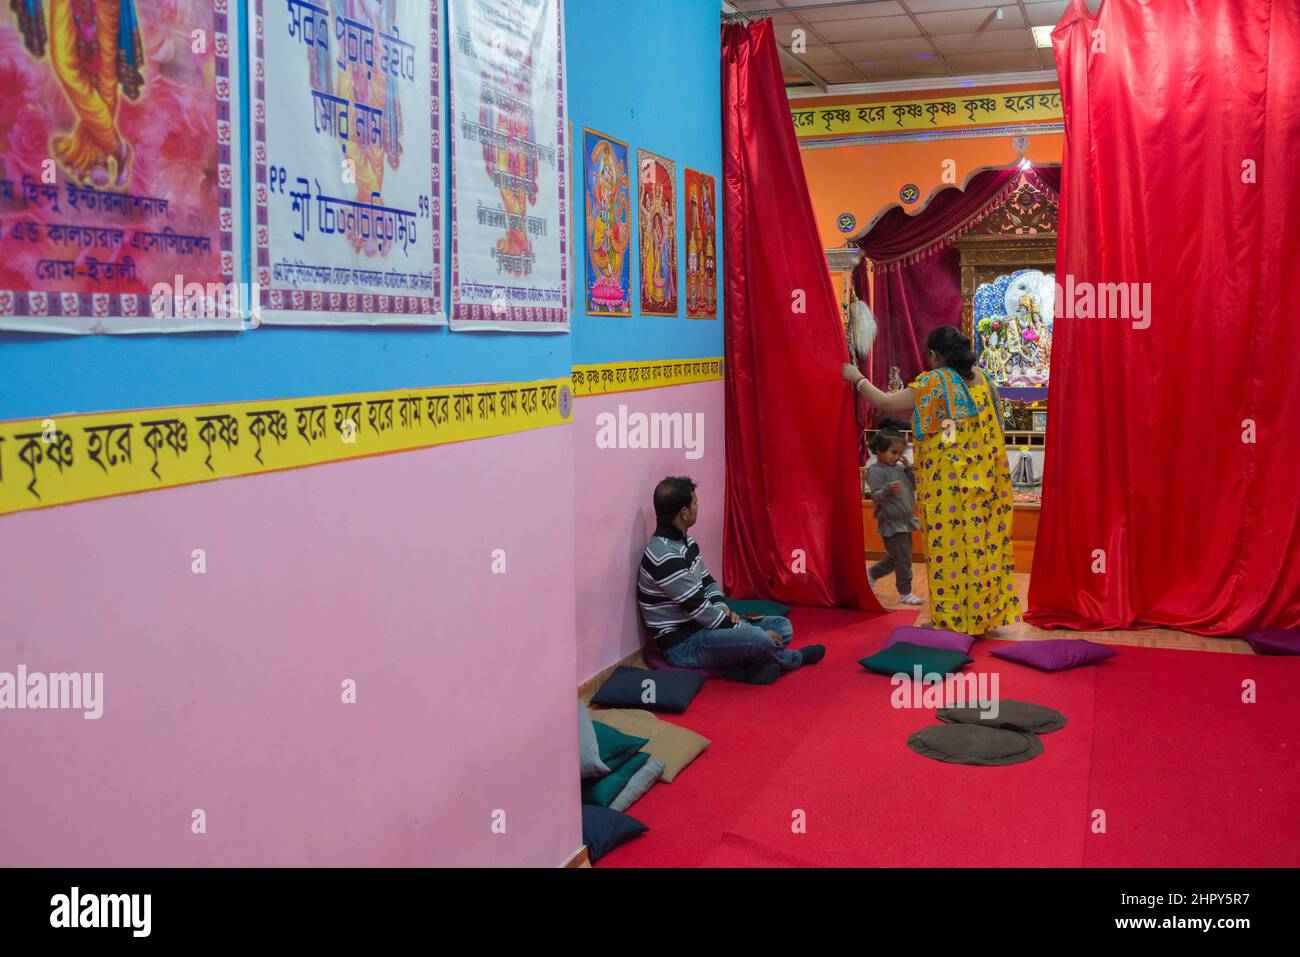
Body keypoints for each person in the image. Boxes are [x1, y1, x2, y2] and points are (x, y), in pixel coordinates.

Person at [842, 326, 1022, 637]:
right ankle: (982, 616)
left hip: (949, 486)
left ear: (935, 355)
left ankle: (951, 620)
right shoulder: (984, 380)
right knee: (981, 546)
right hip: (985, 483)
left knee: (950, 552)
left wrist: (856, 377)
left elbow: (886, 403)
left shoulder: (936, 382)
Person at [637, 476, 825, 684]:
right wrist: (746, 629)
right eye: (695, 503)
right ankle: (792, 660)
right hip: (684, 645)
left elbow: (707, 583)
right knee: (759, 638)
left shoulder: (687, 543)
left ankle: (740, 669)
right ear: (684, 513)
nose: (698, 506)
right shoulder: (664, 557)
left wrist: (721, 606)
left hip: (704, 627)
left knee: (782, 626)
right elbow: (701, 611)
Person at [866, 429, 923, 606]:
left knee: (894, 558)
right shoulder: (875, 471)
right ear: (879, 450)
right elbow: (875, 495)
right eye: (893, 452)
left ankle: (872, 574)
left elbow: (917, 484)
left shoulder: (899, 469)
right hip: (892, 523)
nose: (896, 457)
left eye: (900, 453)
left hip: (906, 521)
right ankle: (905, 592)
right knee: (903, 558)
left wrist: (909, 468)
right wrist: (888, 490)